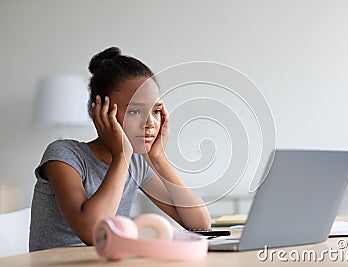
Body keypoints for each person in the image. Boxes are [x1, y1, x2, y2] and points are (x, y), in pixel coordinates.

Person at [29, 47, 211, 252]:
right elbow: (92, 233)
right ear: (99, 112)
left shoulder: (137, 163)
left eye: (156, 111)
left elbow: (200, 225)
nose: (150, 123)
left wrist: (158, 158)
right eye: (135, 111)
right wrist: (121, 155)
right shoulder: (64, 156)